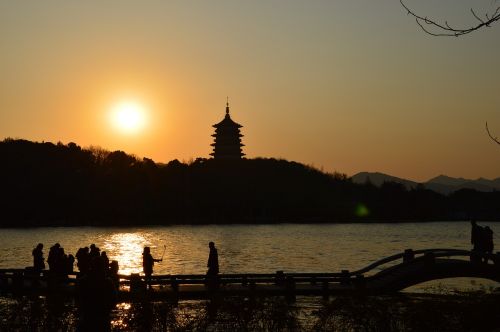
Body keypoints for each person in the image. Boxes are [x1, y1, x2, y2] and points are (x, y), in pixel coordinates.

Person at [76, 256, 117, 331]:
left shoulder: (83, 281)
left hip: (87, 317)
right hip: (102, 318)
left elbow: (78, 299)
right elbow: (113, 300)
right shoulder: (108, 283)